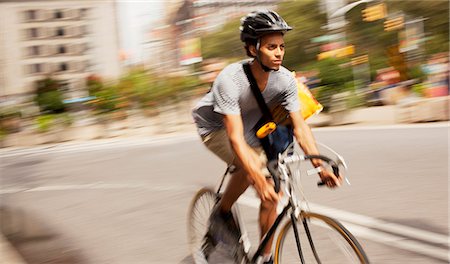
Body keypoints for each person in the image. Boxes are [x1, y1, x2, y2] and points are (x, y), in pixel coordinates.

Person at [192, 10, 342, 263]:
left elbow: (300, 127)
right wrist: (258, 181)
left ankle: (264, 256)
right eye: (271, 47)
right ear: (252, 49)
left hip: (254, 128)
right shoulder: (230, 80)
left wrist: (320, 166)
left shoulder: (285, 80)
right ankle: (222, 212)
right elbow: (235, 139)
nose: (279, 52)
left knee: (273, 190)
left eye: (282, 46)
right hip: (215, 128)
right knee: (252, 169)